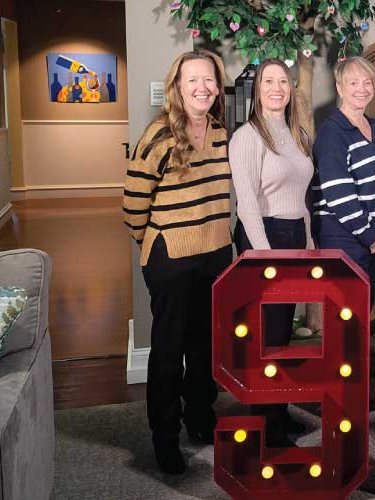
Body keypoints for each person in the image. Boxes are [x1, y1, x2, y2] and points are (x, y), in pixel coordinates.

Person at [122, 50, 232, 474]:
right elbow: (133, 208)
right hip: (171, 259)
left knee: (205, 347)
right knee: (169, 351)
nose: (202, 88)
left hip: (216, 255)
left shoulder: (221, 133)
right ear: (177, 87)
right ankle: (164, 438)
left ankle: (200, 418)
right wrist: (155, 245)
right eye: (193, 81)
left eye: (209, 80)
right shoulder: (158, 137)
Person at [227, 58, 314, 448]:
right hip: (264, 237)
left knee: (281, 337)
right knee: (265, 338)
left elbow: (302, 198)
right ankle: (264, 425)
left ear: (291, 89)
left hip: (293, 235)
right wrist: (266, 259)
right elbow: (246, 205)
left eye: (283, 81)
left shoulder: (296, 134)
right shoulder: (247, 136)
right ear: (257, 89)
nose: (276, 87)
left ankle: (278, 411)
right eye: (268, 81)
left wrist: (308, 242)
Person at [314, 56, 375, 281]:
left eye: (367, 82)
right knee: (347, 313)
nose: (362, 89)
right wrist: (371, 236)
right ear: (339, 88)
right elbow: (339, 197)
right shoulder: (332, 133)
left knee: (372, 310)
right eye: (353, 83)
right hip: (346, 243)